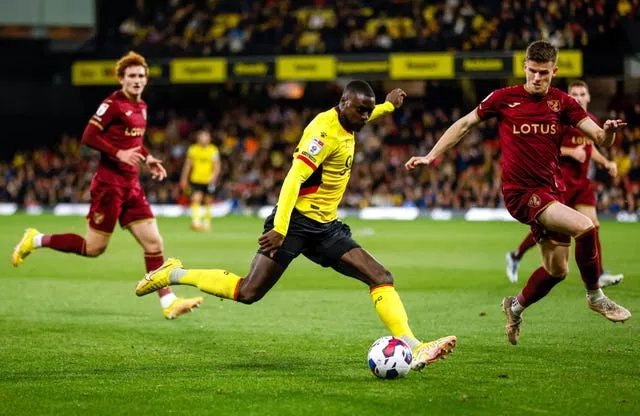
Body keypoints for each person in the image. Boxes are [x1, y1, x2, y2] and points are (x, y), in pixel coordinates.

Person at [136, 80, 457, 370]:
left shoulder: (352, 120)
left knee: (380, 276)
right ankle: (173, 273)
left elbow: (367, 113)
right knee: (248, 291)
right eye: (361, 110)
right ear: (343, 103)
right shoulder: (323, 131)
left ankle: (414, 347)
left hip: (326, 227)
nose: (364, 117)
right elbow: (294, 178)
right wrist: (279, 226)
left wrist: (388, 105)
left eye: (368, 112)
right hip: (295, 223)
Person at [405, 41, 631, 345]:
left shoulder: (562, 103)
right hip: (521, 193)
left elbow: (601, 139)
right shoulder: (504, 98)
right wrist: (430, 155)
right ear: (524, 67)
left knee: (557, 270)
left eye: (544, 74)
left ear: (555, 71)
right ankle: (595, 296)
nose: (537, 78)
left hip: (552, 192)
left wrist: (611, 130)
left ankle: (515, 306)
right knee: (586, 226)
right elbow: (465, 124)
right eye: (533, 71)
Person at [12, 51, 203, 320]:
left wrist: (147, 159)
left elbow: (135, 142)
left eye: (141, 76)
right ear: (121, 79)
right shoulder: (112, 104)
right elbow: (88, 136)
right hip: (109, 186)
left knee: (154, 242)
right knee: (94, 248)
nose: (136, 80)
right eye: (131, 76)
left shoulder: (142, 107)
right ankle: (36, 239)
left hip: (131, 186)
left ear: (146, 79)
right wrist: (118, 154)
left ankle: (168, 303)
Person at [505, 80, 624, 287]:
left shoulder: (591, 121)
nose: (578, 97)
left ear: (588, 97)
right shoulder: (560, 120)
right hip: (561, 184)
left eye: (581, 93)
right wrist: (570, 152)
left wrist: (605, 162)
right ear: (569, 97)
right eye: (574, 94)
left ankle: (599, 274)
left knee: (592, 226)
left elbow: (589, 147)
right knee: (548, 231)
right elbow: (545, 147)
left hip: (582, 185)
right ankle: (516, 255)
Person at [179, 129, 221, 231]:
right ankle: (196, 222)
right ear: (198, 138)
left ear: (209, 138)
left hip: (208, 180)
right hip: (196, 179)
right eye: (202, 136)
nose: (204, 139)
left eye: (206, 136)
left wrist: (214, 176)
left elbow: (217, 165)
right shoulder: (193, 149)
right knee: (196, 199)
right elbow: (188, 165)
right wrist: (184, 178)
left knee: (208, 201)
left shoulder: (213, 150)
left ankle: (206, 223)